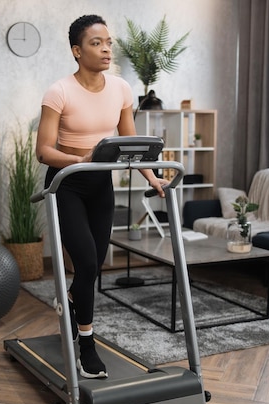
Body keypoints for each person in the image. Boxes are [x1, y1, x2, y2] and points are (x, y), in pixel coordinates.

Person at [36, 14, 168, 379]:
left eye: (108, 41)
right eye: (96, 43)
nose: (107, 48)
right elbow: (44, 150)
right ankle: (87, 343)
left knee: (92, 268)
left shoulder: (121, 89)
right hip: (66, 183)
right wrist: (80, 159)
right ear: (77, 51)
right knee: (89, 264)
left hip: (100, 185)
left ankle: (74, 300)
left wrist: (152, 176)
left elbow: (131, 143)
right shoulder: (59, 91)